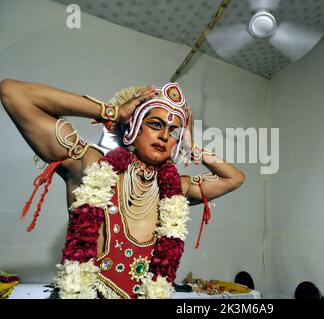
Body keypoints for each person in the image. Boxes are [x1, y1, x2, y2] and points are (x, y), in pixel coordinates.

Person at [0, 79, 245, 299]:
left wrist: (192, 147)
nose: (163, 136)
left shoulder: (175, 188)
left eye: (172, 132)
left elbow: (234, 178)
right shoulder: (92, 166)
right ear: (132, 127)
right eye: (155, 124)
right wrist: (113, 112)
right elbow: (13, 93)